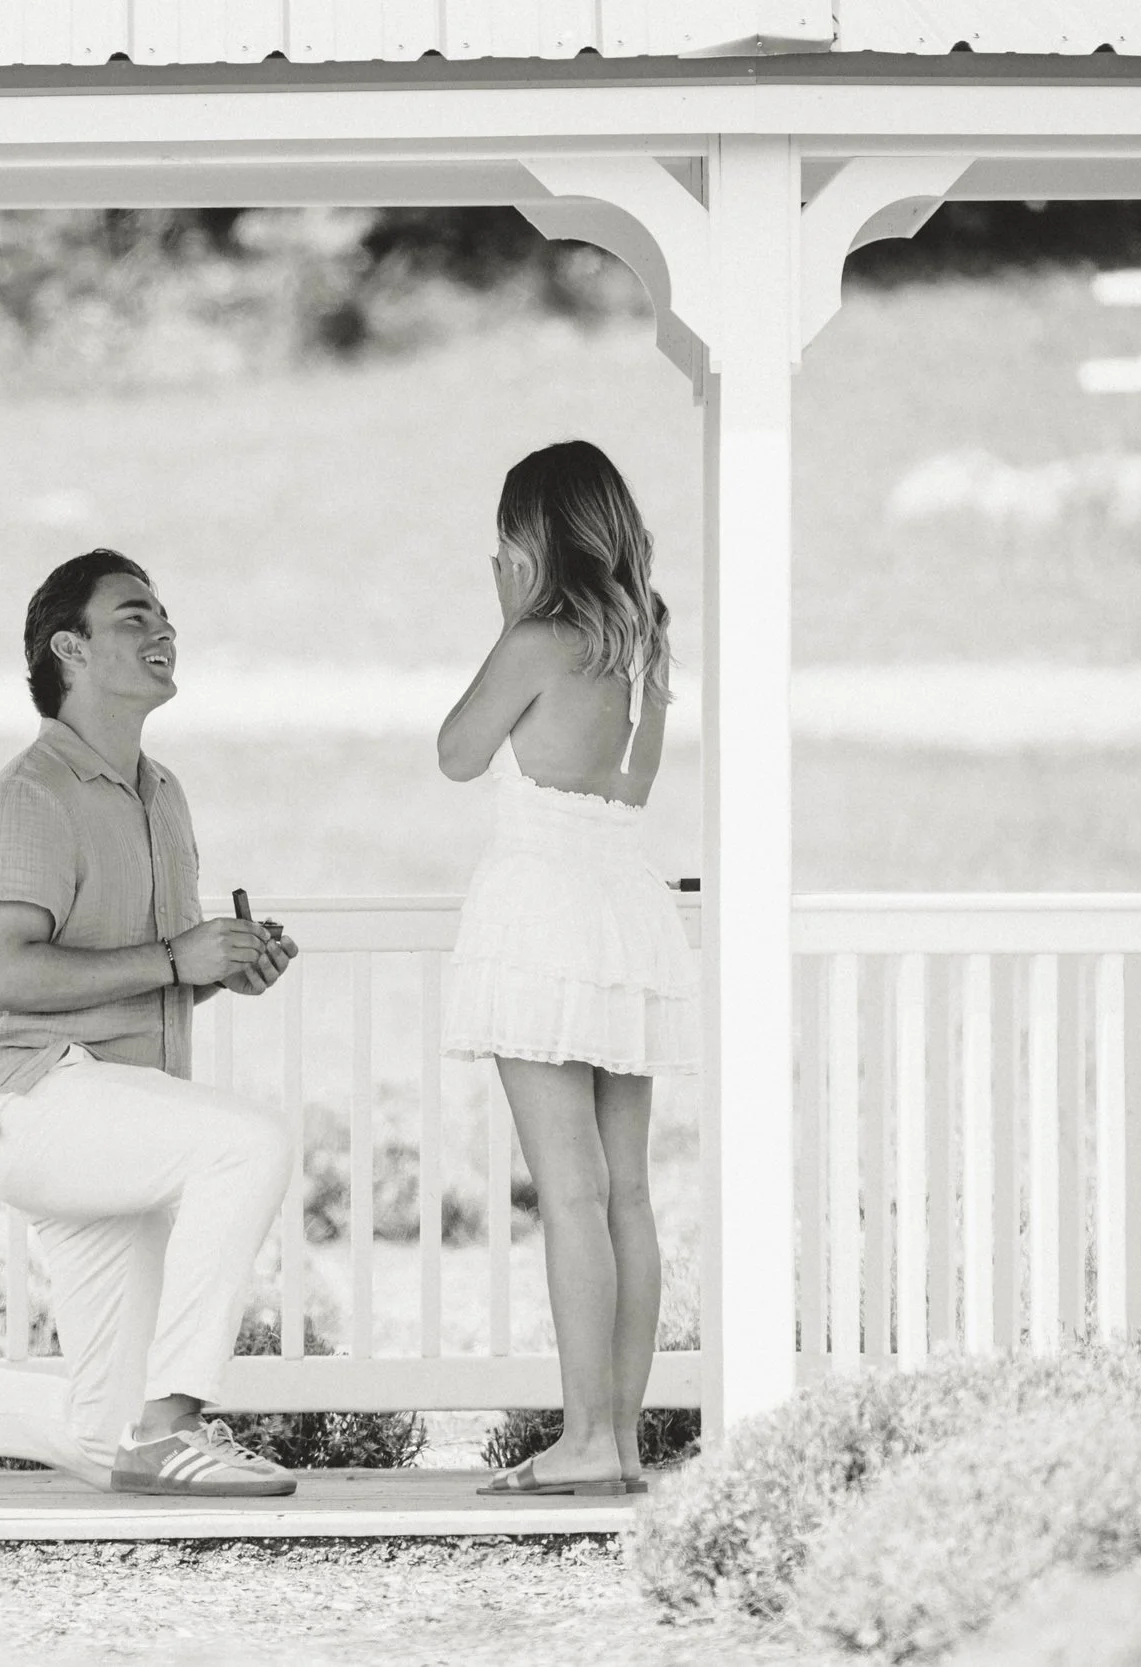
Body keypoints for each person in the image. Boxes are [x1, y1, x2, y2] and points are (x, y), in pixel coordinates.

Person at [0, 548, 303, 1499]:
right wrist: (176, 957)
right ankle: (175, 1425)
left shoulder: (163, 794)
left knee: (102, 1437)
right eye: (134, 616)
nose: (163, 629)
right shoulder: (30, 797)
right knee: (251, 1143)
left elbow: (139, 969)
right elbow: (0, 973)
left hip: (117, 1114)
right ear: (69, 650)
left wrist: (220, 968)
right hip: (32, 1098)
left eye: (164, 614)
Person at [437, 441, 701, 1497]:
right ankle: (619, 1438)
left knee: (571, 1193)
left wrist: (508, 618)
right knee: (625, 1193)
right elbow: (630, 788)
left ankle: (586, 1434)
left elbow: (457, 752)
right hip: (623, 905)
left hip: (544, 912)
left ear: (530, 537)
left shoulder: (537, 639)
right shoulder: (644, 641)